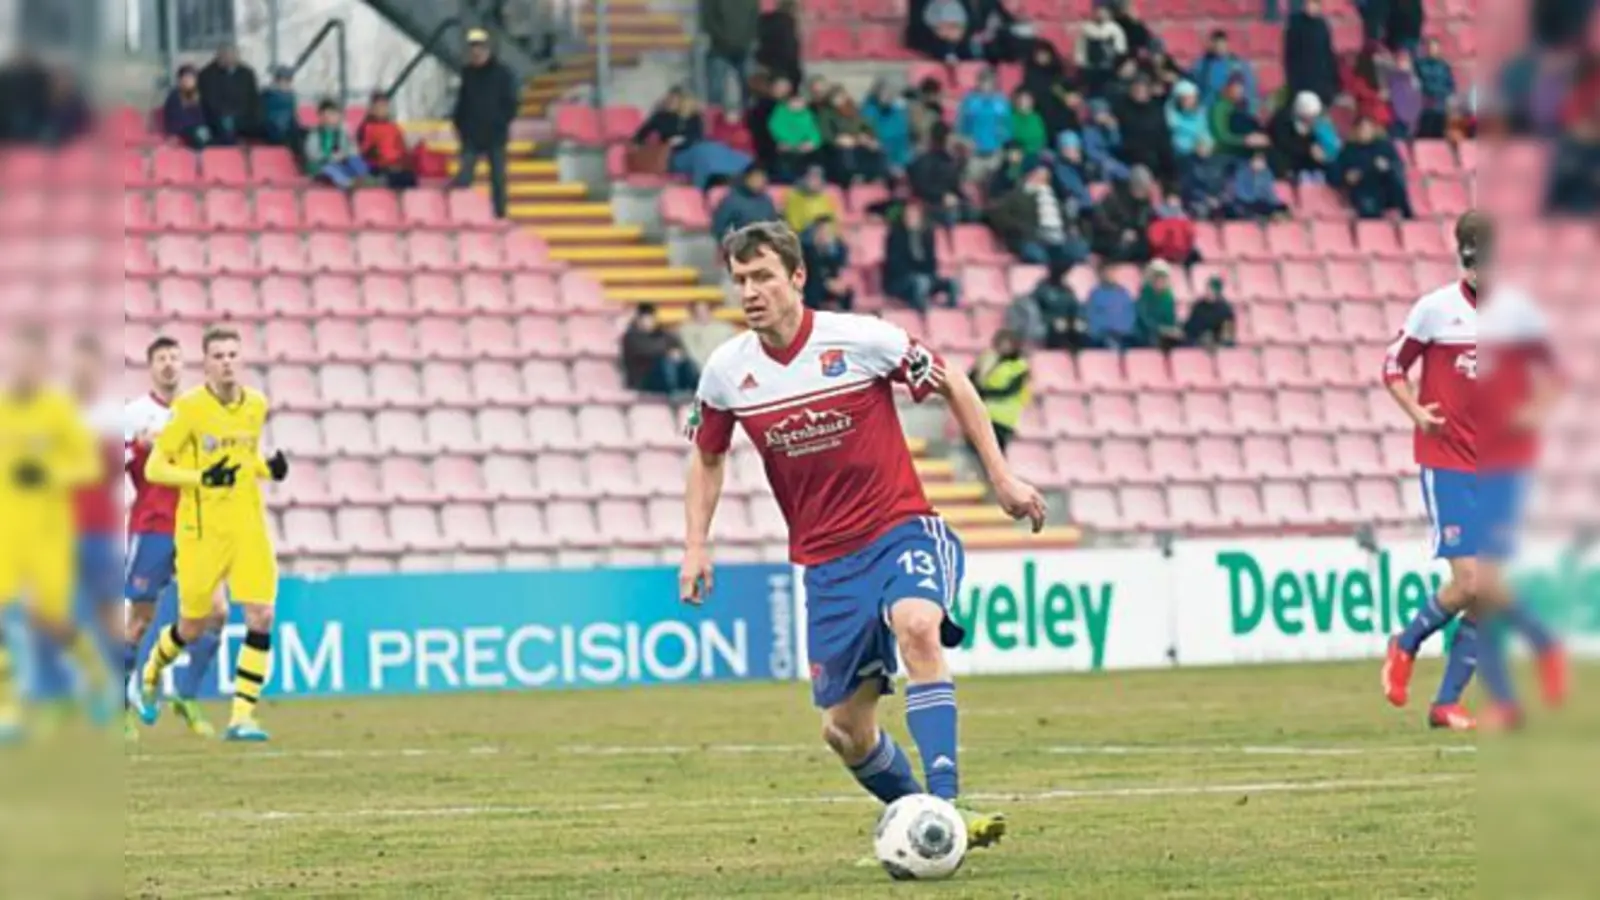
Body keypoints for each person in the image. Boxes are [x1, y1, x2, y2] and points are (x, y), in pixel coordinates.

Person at [681, 220, 1043, 852]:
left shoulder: (861, 338)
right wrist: (695, 543)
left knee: (918, 627)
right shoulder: (725, 372)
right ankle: (922, 815)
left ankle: (946, 806)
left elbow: (953, 381)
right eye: (740, 280)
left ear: (797, 277)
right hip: (827, 564)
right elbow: (707, 456)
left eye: (763, 276)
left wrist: (1002, 478)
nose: (750, 292)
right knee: (844, 732)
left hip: (900, 528)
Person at [1381, 211, 1568, 731]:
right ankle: (1407, 642)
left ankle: (1445, 703)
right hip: (1447, 461)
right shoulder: (1434, 311)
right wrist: (1416, 411)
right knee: (1469, 583)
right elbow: (1392, 366)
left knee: (1489, 588)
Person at [127, 328, 289, 743]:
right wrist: (202, 477)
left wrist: (269, 469)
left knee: (262, 615)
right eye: (219, 355)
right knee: (194, 625)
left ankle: (242, 716)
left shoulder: (256, 404)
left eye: (234, 353)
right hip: (201, 532)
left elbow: (245, 457)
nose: (228, 362)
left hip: (247, 525)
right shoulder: (190, 410)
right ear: (206, 363)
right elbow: (155, 469)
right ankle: (151, 671)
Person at [0, 324, 112, 741]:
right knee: (3, 616)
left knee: (52, 618)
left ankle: (97, 678)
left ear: (42, 363)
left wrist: (48, 472)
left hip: (48, 533)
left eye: (32, 359)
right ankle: (8, 708)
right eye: (17, 358)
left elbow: (88, 466)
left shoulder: (56, 410)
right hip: (6, 533)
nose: (24, 367)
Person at [122, 337, 221, 741]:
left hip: (197, 526)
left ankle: (187, 696)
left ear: (185, 364)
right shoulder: (133, 414)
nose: (168, 365)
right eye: (161, 359)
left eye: (174, 358)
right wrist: (139, 445)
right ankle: (121, 709)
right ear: (150, 366)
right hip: (154, 525)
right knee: (139, 621)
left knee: (216, 611)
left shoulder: (199, 408)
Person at [63, 338, 138, 741]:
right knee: (55, 616)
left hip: (97, 530)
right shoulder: (58, 413)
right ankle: (97, 690)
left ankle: (120, 699)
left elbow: (113, 471)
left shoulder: (110, 417)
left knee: (108, 619)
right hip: (58, 532)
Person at [451, 29, 520, 218]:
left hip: (495, 136)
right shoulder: (467, 74)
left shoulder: (502, 73)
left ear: (487, 50)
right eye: (473, 48)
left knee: (498, 179)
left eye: (480, 48)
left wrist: (501, 122)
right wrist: (459, 125)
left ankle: (500, 216)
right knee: (464, 176)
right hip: (471, 136)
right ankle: (459, 214)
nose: (476, 52)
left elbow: (512, 103)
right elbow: (461, 103)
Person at [885, 203, 960, 311]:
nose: (911, 219)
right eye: (908, 216)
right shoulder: (895, 236)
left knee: (952, 283)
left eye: (915, 216)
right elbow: (894, 264)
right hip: (902, 279)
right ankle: (923, 312)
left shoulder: (927, 236)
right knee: (920, 282)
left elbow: (932, 261)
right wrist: (916, 274)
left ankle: (951, 311)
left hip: (926, 277)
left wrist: (931, 277)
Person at [1336, 117, 1414, 219]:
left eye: (1368, 129)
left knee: (1396, 177)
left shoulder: (1384, 146)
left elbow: (1399, 165)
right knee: (1369, 211)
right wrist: (1346, 177)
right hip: (1363, 190)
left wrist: (1387, 166)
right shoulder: (1349, 150)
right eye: (1362, 129)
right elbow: (1334, 172)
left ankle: (1405, 213)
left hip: (1386, 188)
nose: (1365, 132)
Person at [968, 330, 1030, 456]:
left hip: (1003, 418)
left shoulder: (1020, 366)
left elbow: (1008, 391)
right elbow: (971, 379)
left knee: (996, 455)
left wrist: (983, 393)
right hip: (981, 413)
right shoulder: (987, 359)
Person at [699, 0, 760, 109]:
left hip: (744, 48)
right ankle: (715, 122)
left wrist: (749, 40)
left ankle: (749, 123)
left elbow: (755, 19)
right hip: (719, 49)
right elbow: (707, 21)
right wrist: (723, 39)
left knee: (751, 90)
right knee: (716, 91)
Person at [197, 43, 261, 145]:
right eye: (225, 55)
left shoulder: (247, 73)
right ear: (219, 57)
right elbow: (209, 101)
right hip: (218, 117)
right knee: (227, 122)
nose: (228, 58)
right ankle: (230, 156)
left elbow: (253, 98)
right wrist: (229, 113)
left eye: (232, 55)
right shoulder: (207, 74)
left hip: (245, 116)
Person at [304, 99, 371, 188]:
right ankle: (348, 184)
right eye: (325, 114)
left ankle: (366, 179)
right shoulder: (314, 134)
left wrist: (344, 156)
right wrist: (330, 157)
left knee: (356, 160)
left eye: (332, 114)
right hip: (322, 164)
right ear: (320, 116)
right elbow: (312, 154)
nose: (329, 117)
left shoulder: (342, 132)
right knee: (329, 169)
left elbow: (351, 149)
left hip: (341, 162)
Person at [1284, 0, 1340, 107]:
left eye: (1315, 4)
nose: (1311, 7)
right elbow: (1290, 55)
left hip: (1321, 81)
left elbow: (1328, 53)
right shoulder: (1295, 23)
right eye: (1308, 3)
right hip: (1301, 80)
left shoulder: (1322, 25)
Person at [357, 92, 418, 188]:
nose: (382, 109)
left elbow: (403, 149)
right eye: (379, 106)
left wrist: (403, 164)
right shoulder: (366, 128)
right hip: (379, 168)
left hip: (398, 167)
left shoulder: (394, 128)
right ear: (372, 109)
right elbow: (365, 152)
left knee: (409, 178)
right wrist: (381, 161)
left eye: (384, 106)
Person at [956, 69, 1012, 164]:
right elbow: (961, 124)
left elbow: (1008, 125)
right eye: (984, 82)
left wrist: (1002, 141)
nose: (987, 86)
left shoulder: (1002, 101)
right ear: (978, 82)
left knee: (993, 177)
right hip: (973, 150)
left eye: (990, 82)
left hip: (995, 150)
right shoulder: (969, 101)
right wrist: (965, 141)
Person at [768, 88, 822, 183]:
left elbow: (815, 132)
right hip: (786, 148)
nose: (798, 104)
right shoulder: (781, 112)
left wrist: (812, 142)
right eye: (795, 101)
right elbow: (776, 128)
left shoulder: (808, 114)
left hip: (805, 150)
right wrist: (790, 143)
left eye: (801, 101)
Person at [712, 164, 781, 238]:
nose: (758, 182)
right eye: (755, 178)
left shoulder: (767, 200)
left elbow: (774, 224)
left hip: (764, 244)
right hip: (739, 245)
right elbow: (719, 227)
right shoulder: (731, 201)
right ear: (746, 179)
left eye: (761, 178)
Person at [802, 217, 854, 311]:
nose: (824, 235)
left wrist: (837, 283)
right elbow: (812, 273)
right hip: (813, 286)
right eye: (821, 231)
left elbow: (842, 268)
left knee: (847, 292)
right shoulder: (806, 251)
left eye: (827, 232)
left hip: (832, 284)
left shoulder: (839, 249)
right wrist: (826, 283)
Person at [861, 79, 913, 172]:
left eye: (890, 93)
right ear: (877, 93)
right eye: (885, 93)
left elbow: (904, 136)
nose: (888, 96)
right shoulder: (869, 112)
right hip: (878, 159)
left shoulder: (898, 112)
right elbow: (866, 135)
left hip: (900, 157)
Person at [1084, 261, 1136, 349]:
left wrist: (1122, 331)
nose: (1110, 274)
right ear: (1102, 273)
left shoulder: (1124, 293)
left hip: (1123, 336)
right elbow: (1091, 317)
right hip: (1101, 338)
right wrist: (1105, 331)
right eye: (1107, 271)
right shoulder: (1095, 294)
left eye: (1112, 271)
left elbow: (1130, 316)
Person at [1135, 261, 1183, 349]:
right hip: (1145, 333)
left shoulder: (1169, 296)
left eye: (1163, 278)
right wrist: (1161, 329)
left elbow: (1170, 318)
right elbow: (1143, 319)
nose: (1160, 281)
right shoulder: (1145, 294)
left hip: (1164, 333)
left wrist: (1172, 330)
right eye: (1157, 278)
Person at [1229, 150, 1288, 220]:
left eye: (1263, 161)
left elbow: (1269, 192)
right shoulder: (1242, 173)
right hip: (1245, 203)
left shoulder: (1267, 173)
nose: (1261, 163)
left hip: (1261, 203)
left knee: (1281, 208)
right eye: (1258, 160)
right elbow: (1242, 193)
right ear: (1251, 161)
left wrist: (1275, 203)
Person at [161, 65, 210, 149]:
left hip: (200, 127)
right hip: (182, 128)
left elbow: (205, 115)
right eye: (185, 78)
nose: (188, 80)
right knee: (201, 133)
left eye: (191, 78)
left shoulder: (201, 94)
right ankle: (198, 157)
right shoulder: (175, 95)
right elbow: (173, 117)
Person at [679, 302, 738, 370]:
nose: (702, 314)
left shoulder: (724, 328)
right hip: (698, 364)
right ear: (693, 313)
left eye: (705, 311)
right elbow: (691, 351)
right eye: (698, 312)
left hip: (721, 362)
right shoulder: (687, 330)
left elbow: (732, 347)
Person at [784, 165, 839, 235]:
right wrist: (814, 224)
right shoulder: (795, 197)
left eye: (817, 178)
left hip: (825, 235)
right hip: (803, 234)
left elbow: (832, 220)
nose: (814, 181)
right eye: (811, 178)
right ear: (804, 179)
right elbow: (794, 225)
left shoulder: (825, 198)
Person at [1183, 275, 1236, 347]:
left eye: (1212, 289)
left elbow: (1228, 336)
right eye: (1207, 289)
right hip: (1197, 344)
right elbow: (1190, 329)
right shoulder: (1199, 306)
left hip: (1218, 346)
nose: (1209, 292)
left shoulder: (1226, 310)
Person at [260, 66, 300, 149]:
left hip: (287, 129)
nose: (287, 84)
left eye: (289, 80)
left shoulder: (290, 96)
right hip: (272, 129)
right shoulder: (268, 95)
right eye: (284, 80)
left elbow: (293, 116)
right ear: (277, 81)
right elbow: (266, 116)